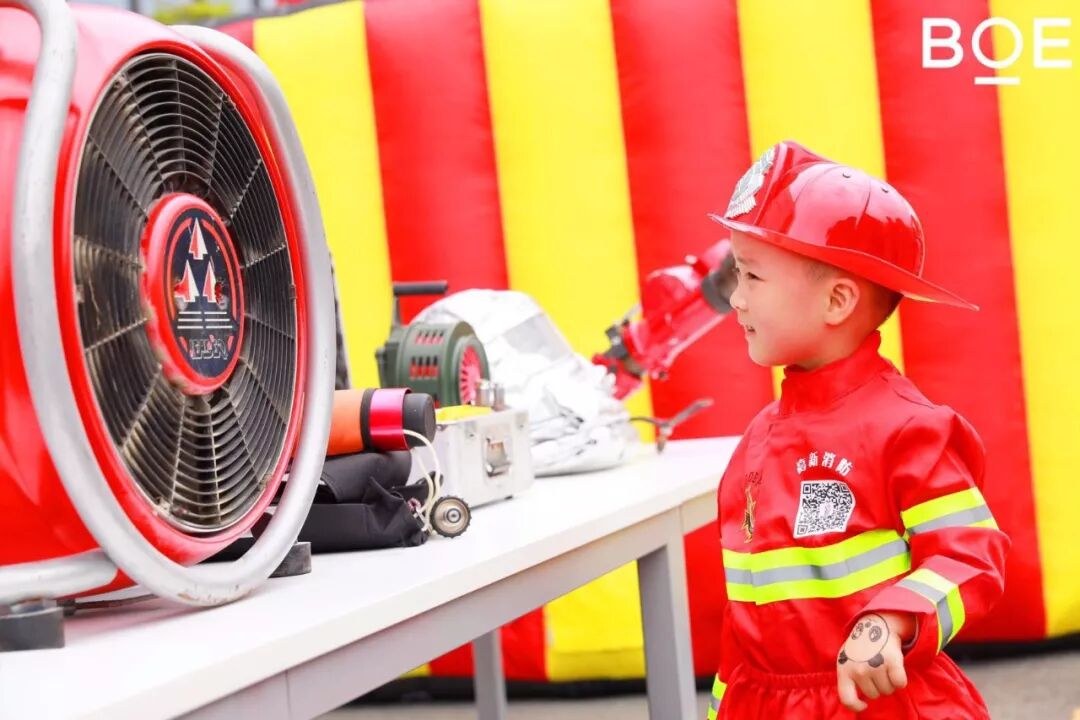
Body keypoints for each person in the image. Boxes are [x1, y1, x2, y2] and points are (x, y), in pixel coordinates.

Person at [705, 141, 1010, 719]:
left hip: (878, 704)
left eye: (751, 276)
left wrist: (891, 618)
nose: (736, 298)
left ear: (838, 300)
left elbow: (972, 555)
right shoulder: (757, 440)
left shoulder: (908, 429)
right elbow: (744, 617)